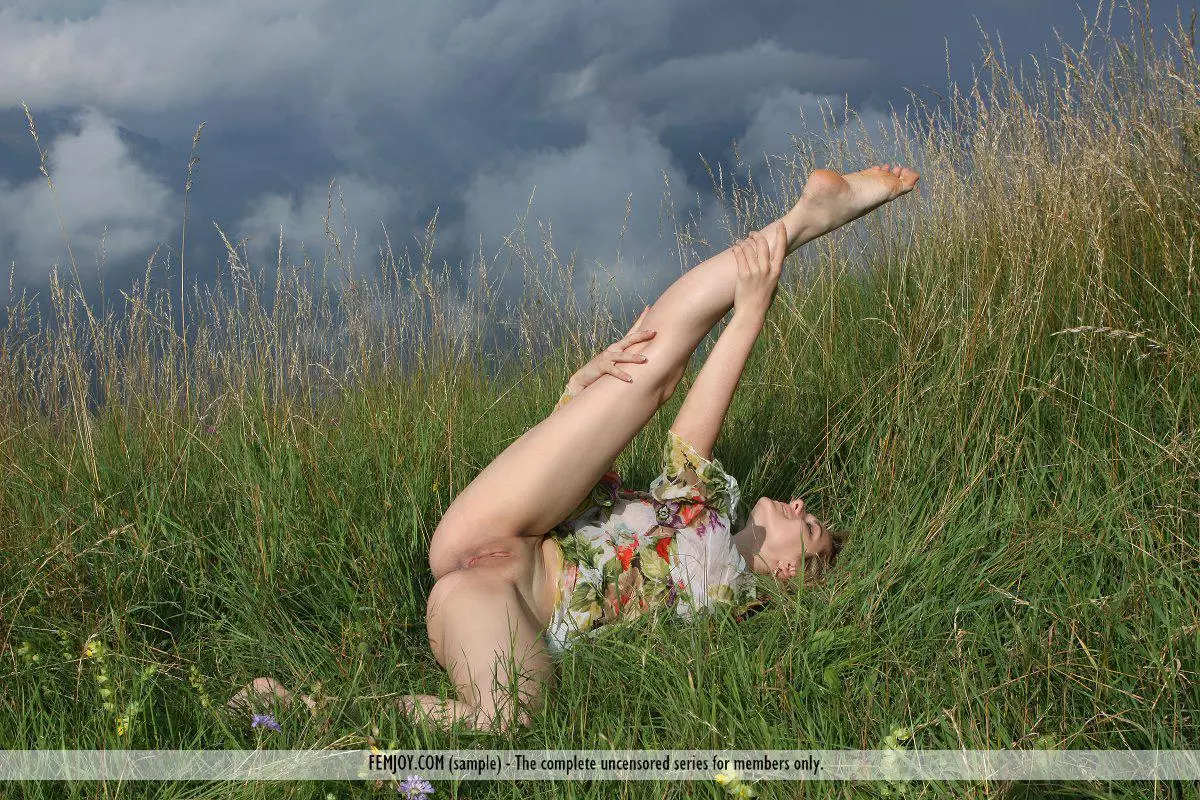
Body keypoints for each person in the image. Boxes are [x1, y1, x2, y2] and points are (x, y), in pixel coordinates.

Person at [230, 164, 920, 731]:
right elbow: (689, 427)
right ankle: (805, 220)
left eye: (811, 524)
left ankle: (310, 708)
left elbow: (691, 455)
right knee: (649, 366)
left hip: (502, 603)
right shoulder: (705, 509)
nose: (799, 505)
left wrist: (751, 311)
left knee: (509, 720)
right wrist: (589, 389)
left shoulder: (726, 591)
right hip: (506, 524)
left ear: (792, 571)